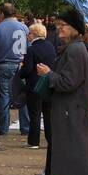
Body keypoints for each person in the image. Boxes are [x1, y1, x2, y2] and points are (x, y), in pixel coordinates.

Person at [35, 9, 88, 175]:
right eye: (58, 25)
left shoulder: (75, 50)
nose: (58, 28)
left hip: (75, 114)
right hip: (71, 112)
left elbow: (69, 82)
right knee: (72, 156)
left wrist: (48, 75)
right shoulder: (74, 48)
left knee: (78, 157)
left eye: (63, 25)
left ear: (74, 28)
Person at [0, 3, 29, 136]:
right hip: (21, 64)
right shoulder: (24, 28)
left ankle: (4, 128)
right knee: (22, 95)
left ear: (2, 13)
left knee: (5, 95)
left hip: (4, 64)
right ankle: (25, 127)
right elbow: (29, 46)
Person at [22, 22, 54, 150]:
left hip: (34, 85)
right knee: (48, 114)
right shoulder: (50, 46)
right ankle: (51, 139)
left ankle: (34, 141)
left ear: (34, 34)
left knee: (34, 114)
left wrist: (20, 73)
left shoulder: (31, 49)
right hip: (48, 83)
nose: (28, 36)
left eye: (29, 33)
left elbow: (28, 68)